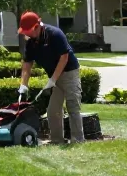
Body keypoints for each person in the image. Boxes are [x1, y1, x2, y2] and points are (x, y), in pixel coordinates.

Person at [17, 12, 83, 144]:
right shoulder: (31, 42)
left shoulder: (55, 34)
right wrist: (23, 84)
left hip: (69, 73)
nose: (27, 34)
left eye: (29, 31)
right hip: (54, 75)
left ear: (37, 26)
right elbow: (27, 64)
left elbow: (64, 58)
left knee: (73, 106)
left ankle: (78, 140)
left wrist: (53, 80)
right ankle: (57, 140)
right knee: (53, 111)